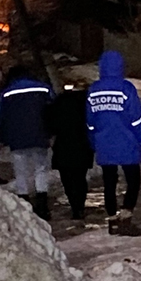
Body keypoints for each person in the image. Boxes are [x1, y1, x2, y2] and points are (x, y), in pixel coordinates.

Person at [86, 51, 141, 237]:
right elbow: (138, 119)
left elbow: (90, 121)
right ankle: (125, 217)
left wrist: (93, 142)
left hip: (104, 144)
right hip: (127, 144)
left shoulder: (94, 90)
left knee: (109, 182)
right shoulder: (126, 88)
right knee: (133, 180)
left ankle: (112, 219)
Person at [0, 65, 54, 220]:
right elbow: (53, 109)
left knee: (21, 171)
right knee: (40, 169)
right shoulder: (43, 89)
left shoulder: (6, 94)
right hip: (39, 135)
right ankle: (42, 205)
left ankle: (24, 203)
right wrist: (51, 132)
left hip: (16, 138)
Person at [48, 88, 94, 220]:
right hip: (82, 146)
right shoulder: (85, 106)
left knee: (67, 179)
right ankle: (79, 205)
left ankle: (74, 205)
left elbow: (51, 125)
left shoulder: (57, 105)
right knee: (80, 178)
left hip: (63, 147)